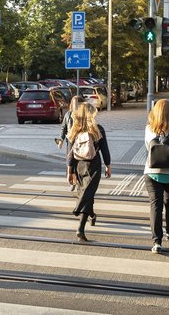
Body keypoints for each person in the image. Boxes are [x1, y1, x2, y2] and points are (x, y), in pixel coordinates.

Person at [143, 99, 169, 254]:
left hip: (152, 174)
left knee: (155, 206)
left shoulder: (148, 129)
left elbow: (148, 148)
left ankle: (156, 242)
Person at [66, 103, 111, 242]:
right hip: (94, 165)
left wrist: (70, 171)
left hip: (79, 165)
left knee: (86, 193)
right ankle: (80, 227)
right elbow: (105, 149)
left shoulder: (75, 129)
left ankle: (90, 214)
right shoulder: (98, 129)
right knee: (88, 194)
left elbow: (70, 153)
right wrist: (108, 165)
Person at [56, 96, 81, 191]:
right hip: (70, 142)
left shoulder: (83, 115)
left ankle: (78, 181)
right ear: (72, 105)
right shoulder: (68, 115)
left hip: (81, 142)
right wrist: (61, 140)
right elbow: (63, 128)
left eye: (78, 105)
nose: (76, 107)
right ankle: (72, 180)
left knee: (80, 162)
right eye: (75, 104)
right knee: (70, 162)